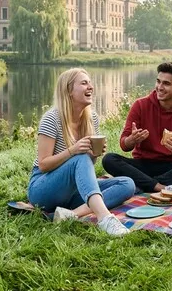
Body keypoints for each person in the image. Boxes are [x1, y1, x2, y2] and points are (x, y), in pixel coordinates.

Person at [28, 68, 135, 236]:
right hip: (43, 189)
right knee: (80, 157)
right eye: (84, 83)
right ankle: (105, 219)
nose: (90, 87)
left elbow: (86, 164)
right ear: (69, 91)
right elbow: (43, 165)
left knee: (127, 184)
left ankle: (71, 214)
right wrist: (73, 151)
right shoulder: (52, 119)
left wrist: (93, 154)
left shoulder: (92, 118)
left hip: (72, 190)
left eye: (90, 83)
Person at [102, 62, 172, 195]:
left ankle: (143, 184)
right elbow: (124, 145)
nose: (160, 87)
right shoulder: (140, 105)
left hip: (170, 167)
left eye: (166, 83)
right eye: (158, 81)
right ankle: (161, 187)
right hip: (142, 165)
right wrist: (131, 140)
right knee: (109, 159)